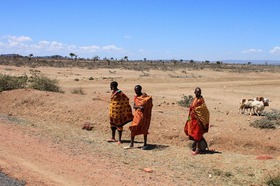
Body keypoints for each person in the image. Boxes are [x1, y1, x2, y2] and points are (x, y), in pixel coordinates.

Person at [125, 85, 153, 150]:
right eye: (135, 90)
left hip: (144, 116)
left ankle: (145, 144)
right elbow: (134, 106)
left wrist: (144, 108)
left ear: (140, 90)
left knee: (144, 129)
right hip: (137, 115)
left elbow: (149, 105)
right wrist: (139, 107)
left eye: (136, 90)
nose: (135, 92)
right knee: (133, 127)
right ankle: (131, 144)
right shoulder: (136, 97)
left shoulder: (145, 98)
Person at [184, 87, 210, 155]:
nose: (198, 93)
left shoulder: (201, 101)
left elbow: (204, 111)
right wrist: (189, 119)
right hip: (193, 121)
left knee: (197, 134)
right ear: (194, 93)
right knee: (194, 134)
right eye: (197, 92)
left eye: (199, 92)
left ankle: (198, 150)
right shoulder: (195, 99)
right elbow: (191, 109)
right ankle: (197, 147)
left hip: (199, 121)